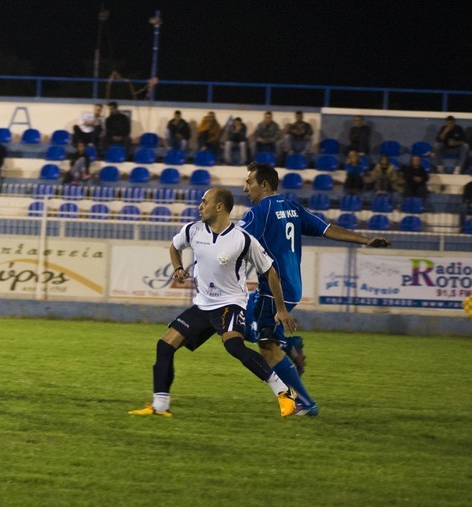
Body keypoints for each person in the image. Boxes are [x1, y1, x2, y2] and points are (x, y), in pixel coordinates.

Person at [128, 187, 299, 418]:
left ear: (219, 207)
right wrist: (178, 267)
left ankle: (284, 392)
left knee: (234, 346)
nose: (200, 206)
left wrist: (281, 309)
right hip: (202, 305)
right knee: (165, 345)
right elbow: (174, 246)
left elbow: (270, 271)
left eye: (204, 202)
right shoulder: (192, 230)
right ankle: (159, 406)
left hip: (230, 303)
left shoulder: (242, 240)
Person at [241, 162, 391, 416]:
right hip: (292, 286)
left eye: (249, 183)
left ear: (263, 185)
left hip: (274, 291)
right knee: (241, 321)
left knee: (267, 349)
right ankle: (289, 345)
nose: (246, 188)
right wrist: (365, 240)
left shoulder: (258, 213)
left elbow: (234, 242)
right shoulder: (292, 207)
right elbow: (327, 229)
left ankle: (304, 402)